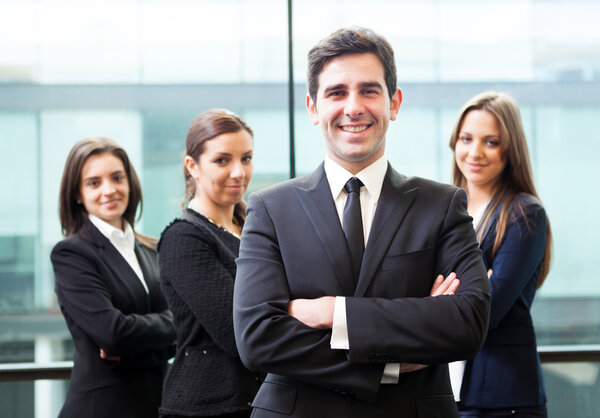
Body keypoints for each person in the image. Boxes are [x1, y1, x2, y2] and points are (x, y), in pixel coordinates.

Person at [232, 27, 491, 418]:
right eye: (337, 92)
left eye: (369, 91)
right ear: (313, 108)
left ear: (394, 103)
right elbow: (258, 339)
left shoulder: (441, 204)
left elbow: (467, 322)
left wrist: (332, 313)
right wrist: (389, 363)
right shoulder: (271, 208)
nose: (353, 107)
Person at [51, 137, 176, 418]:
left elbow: (180, 329)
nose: (109, 190)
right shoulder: (72, 253)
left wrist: (138, 343)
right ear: (77, 194)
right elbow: (113, 333)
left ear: (129, 182)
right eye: (94, 183)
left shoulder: (151, 248)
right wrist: (170, 327)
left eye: (117, 178)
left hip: (156, 405)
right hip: (102, 409)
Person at [449, 92, 552, 417]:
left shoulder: (524, 215)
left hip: (502, 401)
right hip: (449, 391)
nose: (474, 152)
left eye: (491, 142)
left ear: (509, 150)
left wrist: (448, 292)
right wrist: (472, 286)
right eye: (467, 138)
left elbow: (486, 313)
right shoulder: (446, 209)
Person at [158, 109, 261, 418]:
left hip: (256, 399)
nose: (239, 172)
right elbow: (238, 332)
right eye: (222, 160)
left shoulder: (255, 228)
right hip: (208, 406)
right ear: (192, 166)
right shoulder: (183, 238)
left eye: (246, 158)